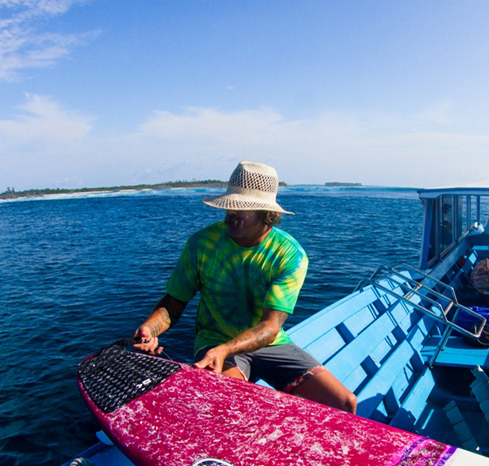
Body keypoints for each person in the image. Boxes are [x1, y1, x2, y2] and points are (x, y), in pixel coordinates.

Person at [132, 161, 358, 414]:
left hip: (269, 343)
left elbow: (270, 327)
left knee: (344, 403)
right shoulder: (201, 244)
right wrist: (150, 328)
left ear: (265, 213)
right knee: (233, 404)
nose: (230, 212)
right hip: (215, 341)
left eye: (241, 206)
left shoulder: (289, 254)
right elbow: (173, 303)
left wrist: (227, 349)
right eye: (229, 204)